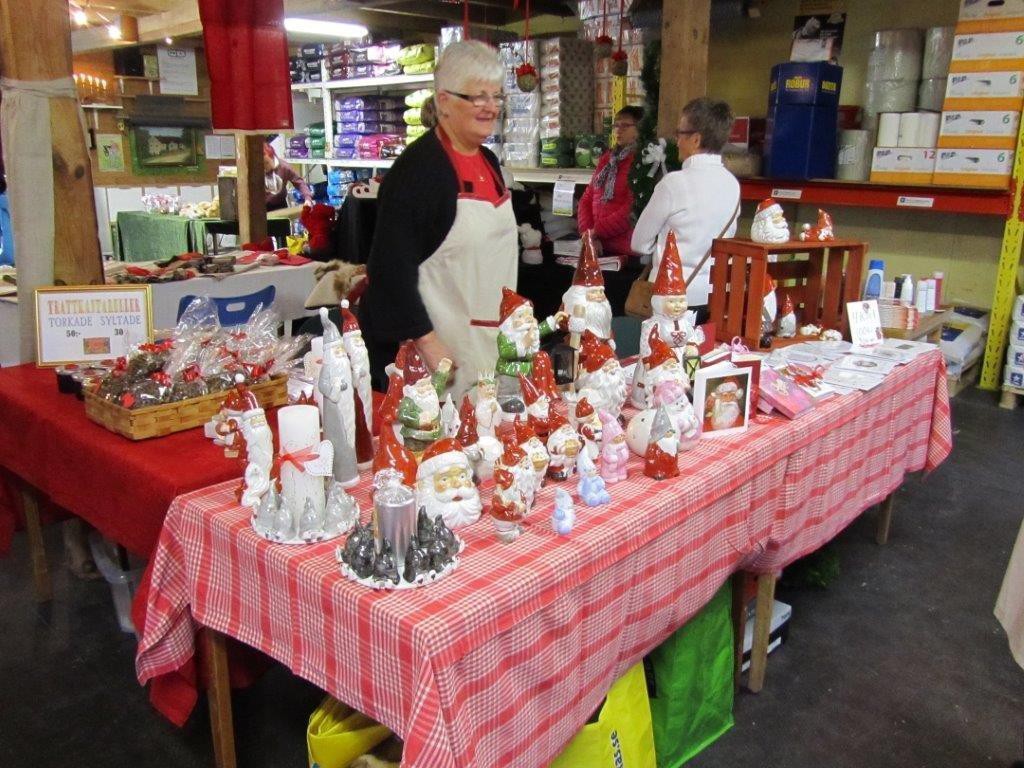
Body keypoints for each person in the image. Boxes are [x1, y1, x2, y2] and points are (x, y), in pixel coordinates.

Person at [361, 40, 517, 395]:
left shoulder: (490, 163)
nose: (490, 107)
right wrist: (428, 343)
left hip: (488, 338)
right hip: (439, 353)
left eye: (496, 97)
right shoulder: (417, 173)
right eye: (477, 97)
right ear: (444, 101)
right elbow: (388, 270)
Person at [630, 97, 741, 324]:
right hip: (713, 296)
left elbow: (639, 243)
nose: (676, 140)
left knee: (662, 358)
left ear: (696, 139)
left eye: (680, 133)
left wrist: (661, 244)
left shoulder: (674, 184)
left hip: (668, 297)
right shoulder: (733, 185)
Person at [577, 105, 642, 257]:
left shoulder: (641, 163)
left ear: (640, 129)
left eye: (625, 126)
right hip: (597, 247)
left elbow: (632, 209)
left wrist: (597, 232)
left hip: (624, 251)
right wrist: (588, 234)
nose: (618, 130)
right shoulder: (607, 159)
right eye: (616, 126)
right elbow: (587, 198)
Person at [264, 143, 312, 210]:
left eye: (266, 163)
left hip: (279, 205)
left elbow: (300, 183)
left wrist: (307, 198)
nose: (264, 167)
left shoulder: (284, 167)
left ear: (272, 157)